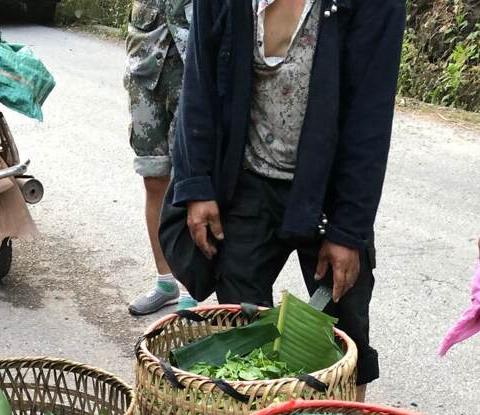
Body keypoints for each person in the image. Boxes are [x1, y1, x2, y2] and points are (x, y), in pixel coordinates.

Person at [171, 0, 407, 394]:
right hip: (246, 180)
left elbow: (370, 116)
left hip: (329, 193)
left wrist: (348, 230)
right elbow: (199, 80)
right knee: (239, 332)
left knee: (343, 340)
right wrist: (197, 186)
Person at [125, 0, 192, 317]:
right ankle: (166, 281)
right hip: (144, 63)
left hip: (194, 69)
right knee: (154, 180)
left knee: (191, 182)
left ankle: (192, 288)